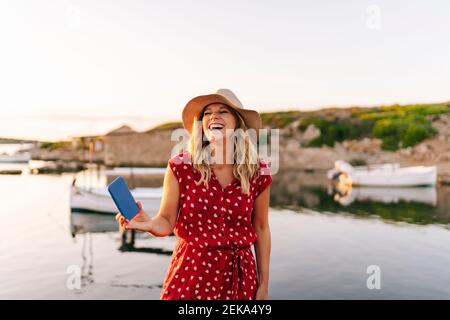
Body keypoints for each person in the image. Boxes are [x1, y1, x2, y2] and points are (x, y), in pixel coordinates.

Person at [115, 89, 272, 300]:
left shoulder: (257, 171)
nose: (214, 116)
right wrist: (149, 224)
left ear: (238, 123)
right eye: (207, 113)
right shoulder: (180, 167)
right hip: (191, 275)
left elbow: (261, 228)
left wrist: (264, 284)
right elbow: (167, 220)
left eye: (223, 111)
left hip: (240, 279)